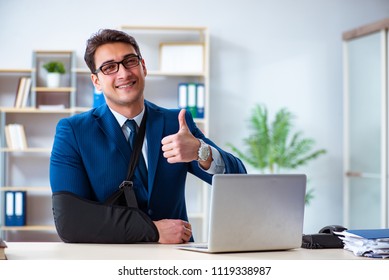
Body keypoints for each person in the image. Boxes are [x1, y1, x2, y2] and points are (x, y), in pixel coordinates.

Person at [50, 29, 246, 244]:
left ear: (143, 67)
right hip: (109, 260)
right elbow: (70, 220)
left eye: (130, 61)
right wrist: (152, 230)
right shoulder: (74, 131)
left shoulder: (177, 122)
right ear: (96, 81)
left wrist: (201, 151)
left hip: (176, 261)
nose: (123, 73)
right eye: (109, 67)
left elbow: (239, 181)